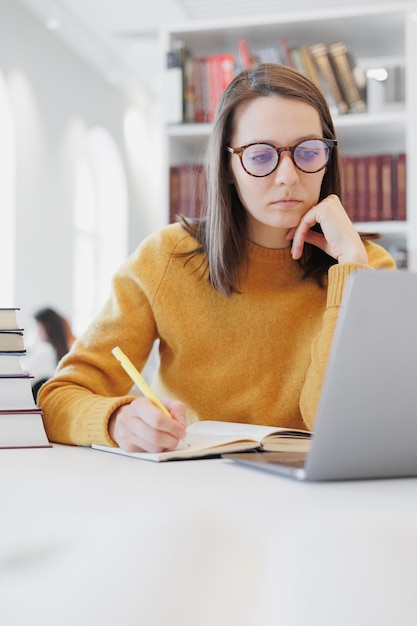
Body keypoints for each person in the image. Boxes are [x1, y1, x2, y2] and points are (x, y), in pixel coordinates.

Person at [39, 63, 395, 452]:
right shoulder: (167, 258)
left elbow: (339, 425)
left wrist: (350, 271)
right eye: (261, 156)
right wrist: (116, 420)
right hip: (192, 494)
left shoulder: (365, 266)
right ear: (227, 166)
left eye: (308, 152)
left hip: (317, 499)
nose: (288, 176)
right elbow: (58, 398)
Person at [23, 307, 75, 399]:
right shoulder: (58, 350)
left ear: (45, 327)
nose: (33, 332)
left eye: (35, 327)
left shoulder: (45, 350)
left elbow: (21, 377)